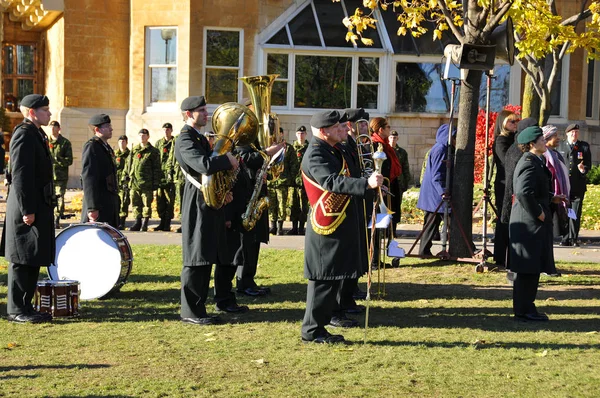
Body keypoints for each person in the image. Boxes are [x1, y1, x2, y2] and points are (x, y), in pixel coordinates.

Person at [300, 110, 383, 344]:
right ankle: (312, 331)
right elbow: (330, 181)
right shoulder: (316, 153)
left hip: (338, 220)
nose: (344, 129)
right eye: (338, 128)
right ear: (324, 131)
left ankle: (320, 328)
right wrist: (364, 183)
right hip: (325, 223)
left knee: (333, 277)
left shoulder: (331, 149)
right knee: (323, 279)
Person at [173, 95, 239, 325]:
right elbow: (203, 165)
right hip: (196, 203)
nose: (206, 114)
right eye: (201, 110)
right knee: (195, 258)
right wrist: (227, 160)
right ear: (189, 114)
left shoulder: (198, 137)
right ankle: (190, 312)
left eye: (205, 109)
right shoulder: (185, 139)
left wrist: (223, 192)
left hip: (208, 201)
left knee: (206, 257)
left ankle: (198, 308)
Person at [1, 94, 55, 323]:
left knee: (32, 256)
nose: (49, 114)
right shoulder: (24, 134)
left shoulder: (36, 133)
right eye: (45, 110)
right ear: (32, 112)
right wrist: (27, 209)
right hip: (27, 206)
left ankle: (26, 306)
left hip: (36, 204)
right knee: (22, 258)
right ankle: (16, 309)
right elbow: (21, 176)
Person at [509, 126, 566, 321]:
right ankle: (524, 310)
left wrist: (552, 198)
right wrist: (540, 213)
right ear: (532, 144)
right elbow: (524, 192)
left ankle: (525, 308)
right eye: (542, 139)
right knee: (528, 269)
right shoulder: (529, 162)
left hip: (531, 222)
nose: (545, 141)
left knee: (531, 268)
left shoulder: (535, 161)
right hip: (529, 223)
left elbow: (536, 189)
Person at [234, 139, 283, 297]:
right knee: (246, 244)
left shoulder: (254, 143)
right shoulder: (240, 141)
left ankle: (249, 280)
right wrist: (268, 152)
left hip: (256, 196)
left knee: (254, 242)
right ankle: (243, 282)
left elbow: (258, 163)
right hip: (246, 199)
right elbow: (245, 158)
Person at [417, 124, 456, 256]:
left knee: (431, 225)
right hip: (436, 196)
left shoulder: (442, 148)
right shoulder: (441, 150)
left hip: (434, 195)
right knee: (448, 222)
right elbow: (436, 175)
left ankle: (424, 251)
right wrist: (443, 191)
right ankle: (424, 251)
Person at [81, 114, 120, 228]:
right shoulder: (92, 146)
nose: (111, 128)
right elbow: (89, 177)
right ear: (97, 129)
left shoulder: (105, 147)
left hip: (108, 202)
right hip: (98, 204)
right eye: (107, 126)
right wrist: (92, 207)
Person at [491, 110, 519, 267]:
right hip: (504, 184)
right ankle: (500, 257)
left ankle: (510, 256)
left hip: (511, 183)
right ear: (502, 123)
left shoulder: (513, 139)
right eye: (511, 122)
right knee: (503, 219)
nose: (515, 124)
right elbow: (507, 160)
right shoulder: (501, 140)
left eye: (516, 121)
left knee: (509, 220)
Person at [557, 124, 592, 246]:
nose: (574, 134)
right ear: (567, 134)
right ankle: (565, 237)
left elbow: (588, 165)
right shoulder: (560, 146)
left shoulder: (583, 146)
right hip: (564, 186)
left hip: (577, 186)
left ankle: (573, 238)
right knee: (565, 212)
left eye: (576, 132)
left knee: (575, 213)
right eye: (572, 132)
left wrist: (583, 169)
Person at [126, 128, 162, 232]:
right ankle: (137, 222)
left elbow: (156, 168)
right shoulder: (134, 150)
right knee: (135, 203)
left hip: (147, 183)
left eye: (144, 135)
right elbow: (129, 165)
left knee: (146, 204)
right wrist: (126, 178)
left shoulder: (153, 151)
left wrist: (155, 183)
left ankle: (145, 223)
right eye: (140, 135)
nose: (142, 137)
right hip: (135, 183)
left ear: (148, 137)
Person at [542, 125, 570, 238]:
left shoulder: (556, 155)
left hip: (557, 198)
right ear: (547, 138)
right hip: (549, 198)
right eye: (555, 136)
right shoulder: (544, 156)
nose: (558, 138)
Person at [268, 127, 297, 235]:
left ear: (282, 133)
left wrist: (291, 179)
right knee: (271, 205)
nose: (276, 135)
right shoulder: (269, 147)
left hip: (282, 181)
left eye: (279, 133)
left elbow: (294, 165)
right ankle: (273, 226)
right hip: (271, 181)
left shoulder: (288, 148)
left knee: (281, 205)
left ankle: (280, 227)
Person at [47, 120, 73, 229]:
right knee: (48, 197)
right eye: (51, 127)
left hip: (60, 176)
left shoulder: (65, 143)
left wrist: (58, 160)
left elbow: (69, 160)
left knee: (59, 198)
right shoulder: (45, 141)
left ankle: (56, 219)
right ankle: (48, 218)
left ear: (59, 129)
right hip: (47, 175)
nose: (52, 129)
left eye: (55, 127)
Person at [154, 123, 176, 231]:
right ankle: (161, 222)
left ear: (171, 130)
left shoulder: (174, 142)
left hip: (170, 176)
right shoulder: (159, 143)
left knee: (169, 200)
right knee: (160, 200)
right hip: (160, 176)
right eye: (164, 130)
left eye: (168, 130)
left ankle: (167, 223)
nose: (166, 131)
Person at [388, 130, 411, 234]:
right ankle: (385, 230)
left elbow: (405, 168)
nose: (393, 139)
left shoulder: (402, 152)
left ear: (397, 139)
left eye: (395, 138)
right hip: (388, 183)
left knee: (396, 206)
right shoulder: (385, 149)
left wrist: (406, 183)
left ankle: (393, 230)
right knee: (387, 206)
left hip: (399, 183)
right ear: (388, 138)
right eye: (391, 137)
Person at [289, 126, 309, 235]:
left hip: (305, 182)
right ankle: (294, 227)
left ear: (306, 134)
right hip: (293, 182)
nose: (300, 136)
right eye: (299, 134)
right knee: (293, 204)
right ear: (296, 135)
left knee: (304, 206)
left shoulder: (309, 148)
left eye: (302, 133)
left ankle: (301, 228)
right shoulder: (292, 148)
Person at [115, 135, 131, 230]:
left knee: (124, 201)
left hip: (125, 182)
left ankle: (122, 221)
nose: (122, 143)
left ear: (126, 143)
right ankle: (116, 220)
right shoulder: (114, 154)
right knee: (116, 201)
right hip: (116, 182)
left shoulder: (130, 154)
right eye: (120, 141)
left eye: (124, 141)